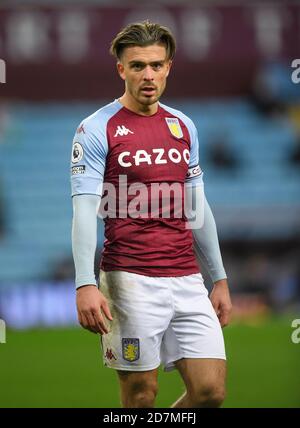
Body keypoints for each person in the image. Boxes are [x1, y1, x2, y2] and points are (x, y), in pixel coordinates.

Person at [71, 20, 232, 408]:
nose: (149, 75)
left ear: (169, 67)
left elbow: (198, 207)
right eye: (139, 65)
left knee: (211, 392)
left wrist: (220, 278)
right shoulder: (96, 129)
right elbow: (83, 210)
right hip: (130, 280)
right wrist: (84, 283)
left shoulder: (183, 126)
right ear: (121, 69)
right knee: (142, 395)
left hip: (186, 277)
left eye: (157, 65)